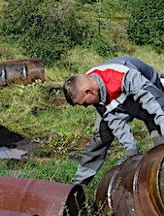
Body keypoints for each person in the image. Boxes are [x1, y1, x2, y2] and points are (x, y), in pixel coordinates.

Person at [63, 56, 164, 185]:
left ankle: (160, 180)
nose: (86, 107)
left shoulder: (124, 76)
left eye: (84, 103)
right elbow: (114, 121)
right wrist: (131, 149)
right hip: (116, 99)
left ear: (89, 91)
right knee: (100, 137)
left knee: (159, 130)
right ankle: (78, 185)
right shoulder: (91, 85)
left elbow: (155, 105)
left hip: (147, 93)